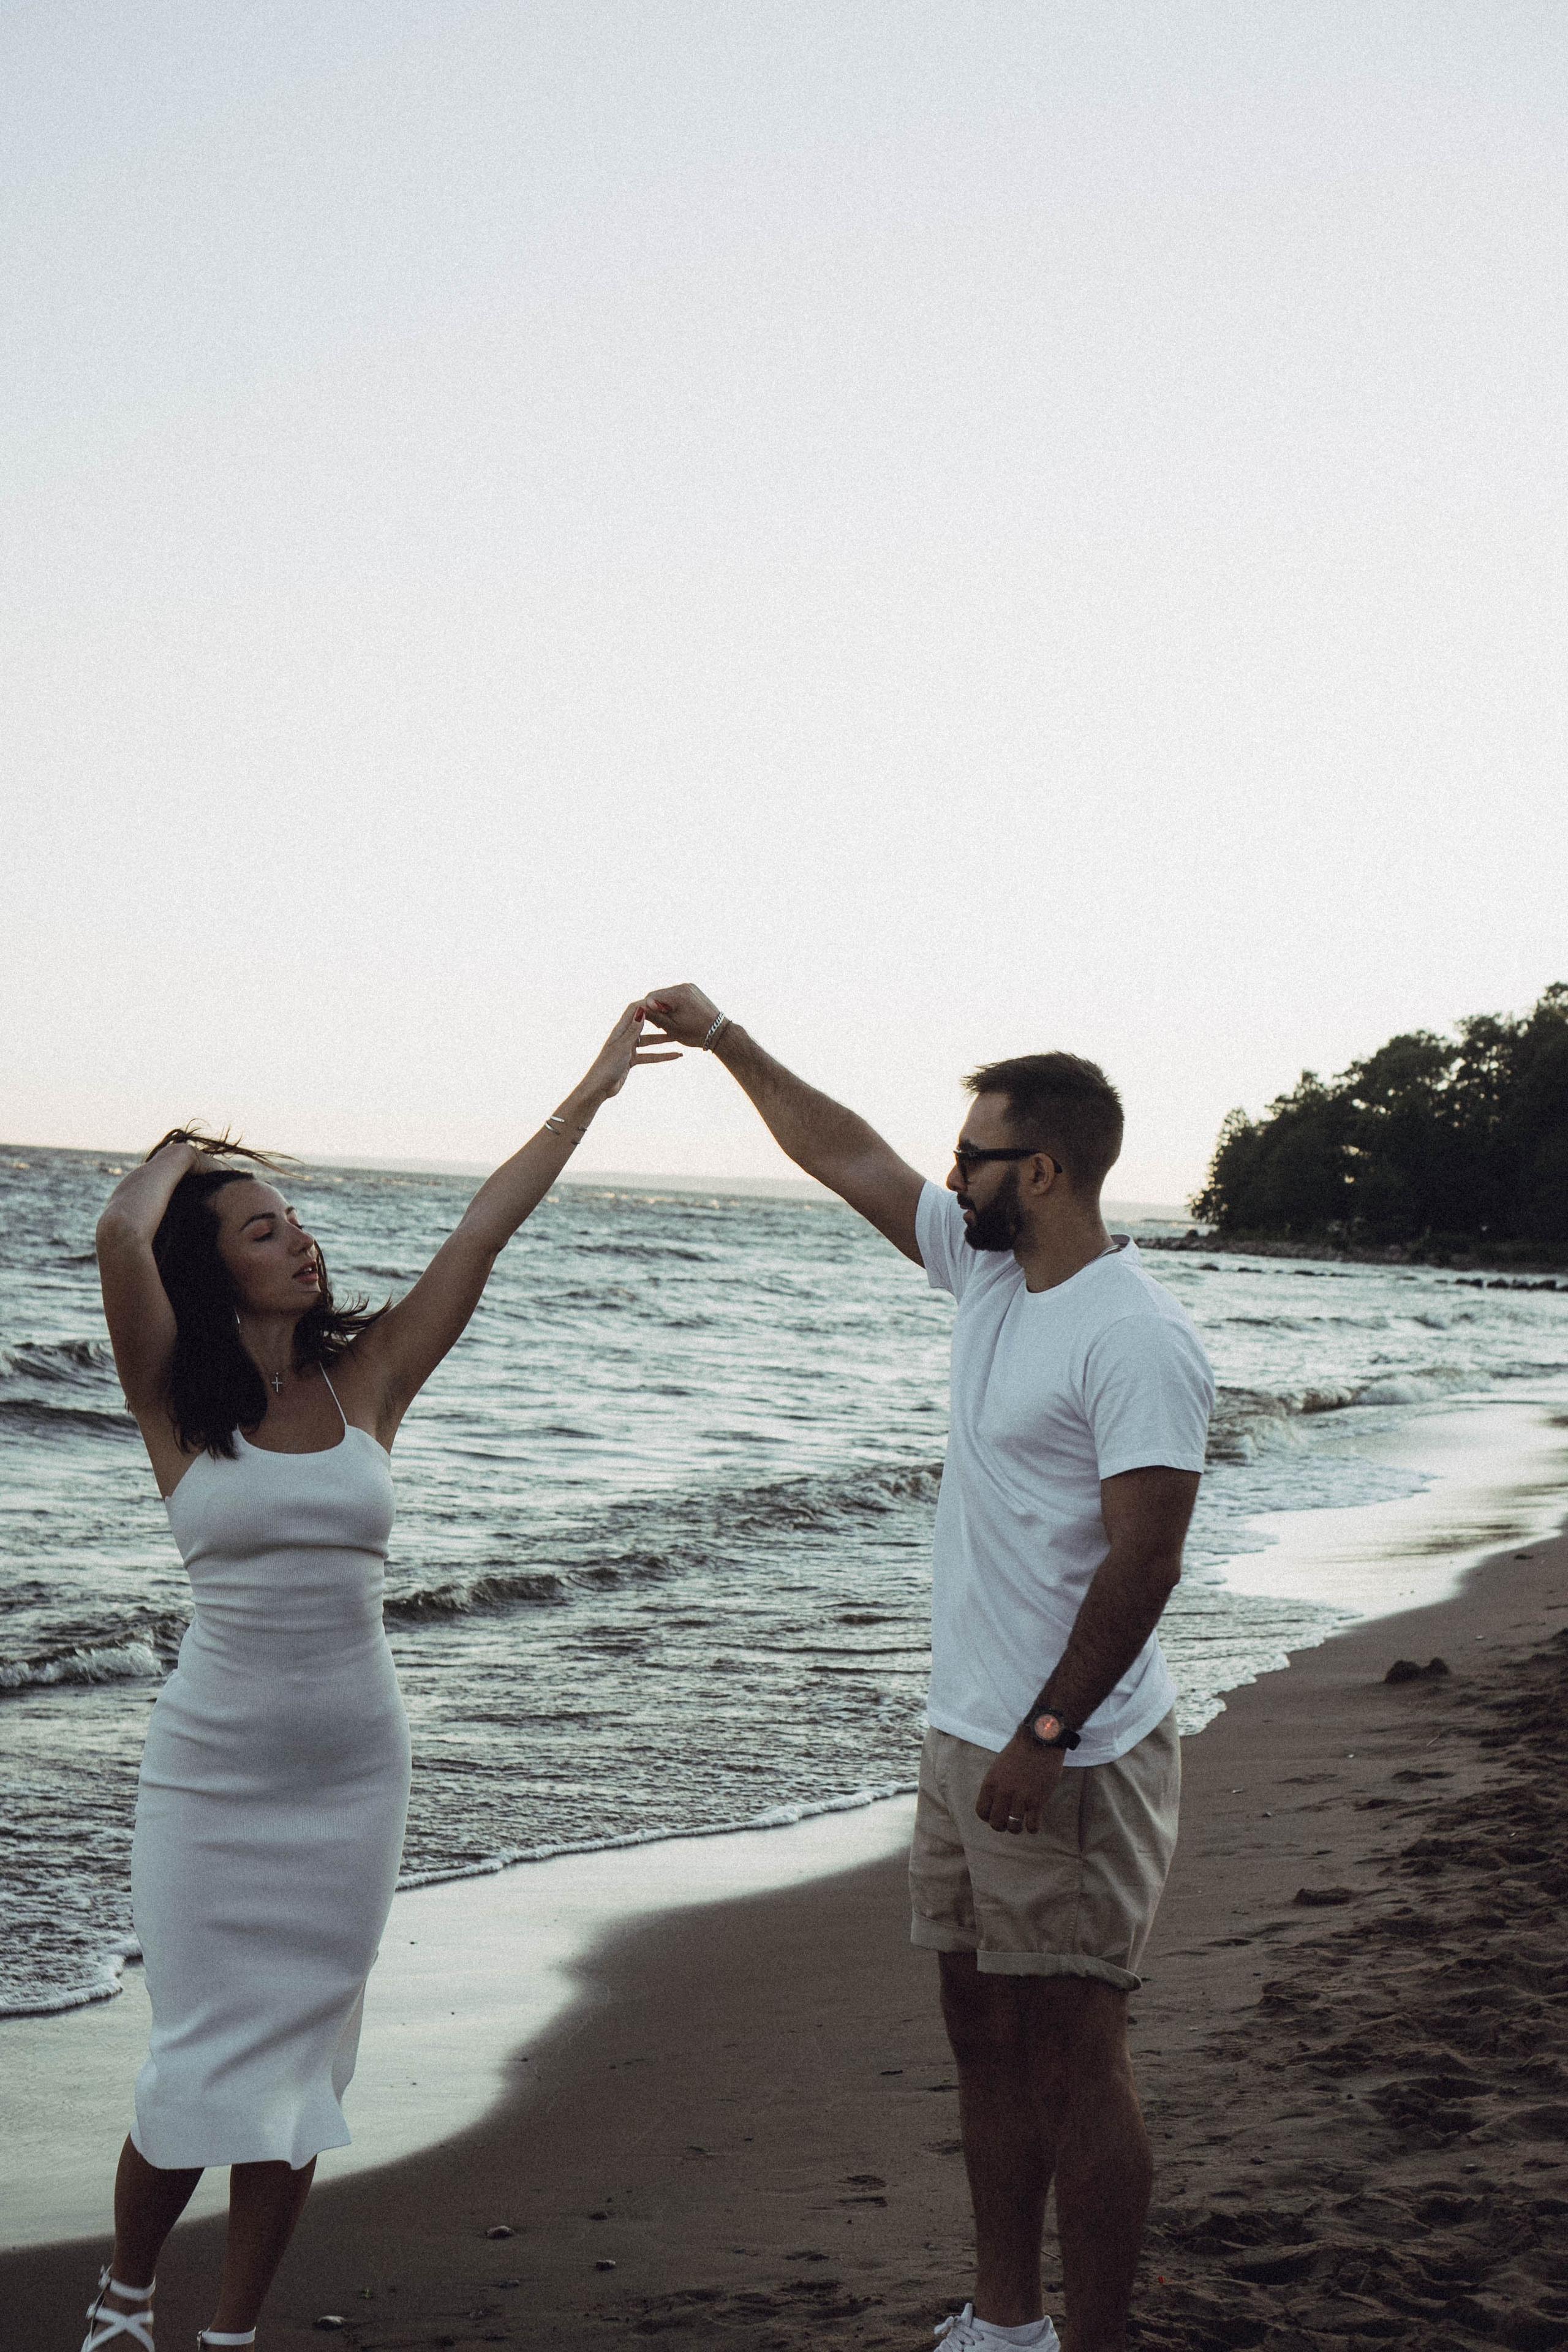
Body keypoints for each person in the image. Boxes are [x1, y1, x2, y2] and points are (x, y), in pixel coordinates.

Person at [83, 1005, 677, 2352]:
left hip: (353, 1775)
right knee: (194, 2058)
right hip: (210, 1779)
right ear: (213, 1269)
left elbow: (485, 1225)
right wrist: (185, 1149)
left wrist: (588, 1090)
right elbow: (124, 1234)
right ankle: (124, 2300)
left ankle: (230, 2335)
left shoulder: (372, 1380)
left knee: (299, 2069)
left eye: (295, 1221)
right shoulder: (171, 1394)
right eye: (263, 1229)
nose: (300, 1240)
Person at [641, 987, 1213, 2352]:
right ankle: (1005, 2322)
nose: (946, 1176)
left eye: (971, 1157)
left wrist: (1047, 1727)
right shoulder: (989, 1273)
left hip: (1065, 1751)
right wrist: (727, 1042)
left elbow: (1144, 1562)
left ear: (1045, 1171)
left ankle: (1097, 2342)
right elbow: (840, 1154)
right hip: (966, 1732)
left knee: (1076, 2057)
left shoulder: (1132, 1336)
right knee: (978, 2035)